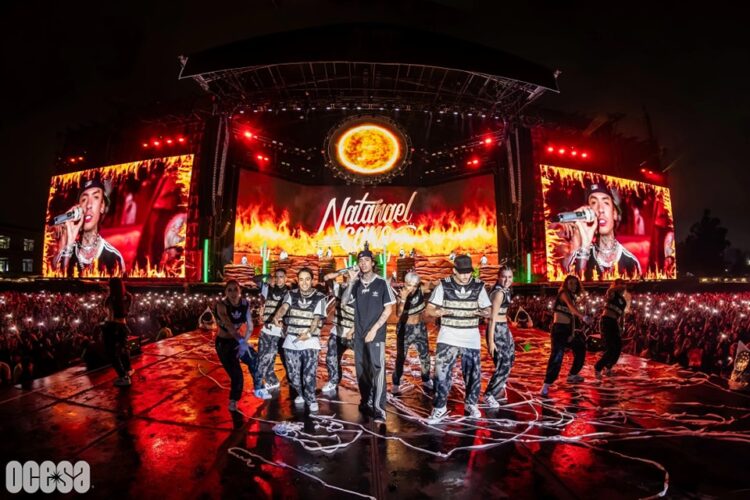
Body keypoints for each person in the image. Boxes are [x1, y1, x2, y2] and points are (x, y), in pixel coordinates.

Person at [425, 255, 491, 423]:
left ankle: (471, 404)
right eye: (461, 273)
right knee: (441, 374)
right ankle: (439, 408)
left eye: (468, 272)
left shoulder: (478, 286)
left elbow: (489, 310)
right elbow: (429, 310)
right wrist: (439, 312)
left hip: (471, 337)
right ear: (454, 271)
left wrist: (484, 313)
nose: (465, 276)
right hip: (448, 336)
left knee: (473, 374)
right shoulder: (444, 285)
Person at [342, 244, 396, 424]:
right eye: (360, 261)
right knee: (361, 370)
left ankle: (380, 408)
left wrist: (374, 330)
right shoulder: (356, 284)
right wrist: (350, 281)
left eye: (366, 260)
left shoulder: (382, 283)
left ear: (372, 263)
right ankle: (365, 401)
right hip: (359, 335)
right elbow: (343, 303)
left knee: (377, 370)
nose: (363, 264)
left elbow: (388, 310)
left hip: (376, 335)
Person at [271, 268, 327, 413]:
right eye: (301, 279)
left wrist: (308, 334)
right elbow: (284, 307)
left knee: (309, 374)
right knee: (293, 376)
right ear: (298, 280)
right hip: (291, 341)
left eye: (307, 279)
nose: (304, 283)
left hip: (310, 341)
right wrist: (277, 316)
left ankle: (311, 398)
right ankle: (302, 394)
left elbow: (316, 320)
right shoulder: (291, 294)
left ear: (312, 280)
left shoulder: (319, 297)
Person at [562, 182, 641, 280]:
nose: (600, 209)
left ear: (615, 213)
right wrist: (585, 244)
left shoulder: (630, 261)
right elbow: (573, 288)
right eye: (594, 203)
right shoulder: (578, 257)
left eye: (606, 203)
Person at [214, 280, 272, 413]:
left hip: (238, 340)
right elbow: (229, 326)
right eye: (229, 290)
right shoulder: (221, 305)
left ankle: (259, 388)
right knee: (237, 375)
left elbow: (250, 326)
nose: (233, 293)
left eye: (235, 289)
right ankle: (233, 401)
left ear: (240, 290)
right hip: (224, 344)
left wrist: (244, 343)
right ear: (225, 292)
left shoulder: (245, 303)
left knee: (255, 358)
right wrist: (241, 342)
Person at [54, 178, 125, 276]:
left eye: (95, 197)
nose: (89, 205)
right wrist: (69, 241)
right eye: (84, 199)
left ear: (102, 206)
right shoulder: (65, 254)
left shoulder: (114, 257)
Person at [540, 275, 592, 397]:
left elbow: (571, 317)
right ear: (565, 284)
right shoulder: (563, 293)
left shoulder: (573, 297)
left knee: (580, 348)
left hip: (569, 331)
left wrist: (572, 333)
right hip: (559, 330)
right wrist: (583, 316)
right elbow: (570, 306)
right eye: (570, 283)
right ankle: (546, 385)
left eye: (575, 283)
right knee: (557, 357)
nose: (573, 286)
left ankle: (573, 375)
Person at [392, 271, 432, 394]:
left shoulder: (421, 289)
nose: (412, 288)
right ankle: (396, 383)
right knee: (401, 357)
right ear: (405, 283)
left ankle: (426, 379)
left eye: (415, 285)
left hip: (419, 328)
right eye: (410, 285)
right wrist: (403, 299)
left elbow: (435, 284)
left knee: (425, 355)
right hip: (405, 329)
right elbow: (398, 314)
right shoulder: (401, 294)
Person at [483, 265, 515, 408]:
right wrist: (491, 342)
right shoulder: (499, 293)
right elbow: (492, 318)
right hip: (497, 330)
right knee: (504, 363)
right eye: (504, 276)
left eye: (509, 277)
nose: (507, 279)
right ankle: (489, 394)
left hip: (504, 328)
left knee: (509, 358)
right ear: (498, 277)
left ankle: (498, 384)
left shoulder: (505, 290)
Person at [321, 269, 355, 393]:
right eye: (348, 274)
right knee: (331, 358)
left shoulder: (361, 290)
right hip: (338, 331)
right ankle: (333, 380)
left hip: (354, 333)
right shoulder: (339, 288)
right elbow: (326, 277)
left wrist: (352, 330)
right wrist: (341, 272)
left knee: (364, 360)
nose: (349, 276)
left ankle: (369, 385)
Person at [257, 269, 289, 391]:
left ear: (286, 278)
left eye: (282, 276)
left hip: (278, 332)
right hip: (266, 330)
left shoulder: (289, 293)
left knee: (273, 358)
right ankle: (272, 380)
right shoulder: (267, 288)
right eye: (277, 276)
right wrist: (266, 276)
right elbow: (254, 279)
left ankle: (281, 381)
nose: (279, 279)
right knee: (262, 358)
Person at [594, 279, 631, 379]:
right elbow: (610, 292)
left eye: (624, 285)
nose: (623, 287)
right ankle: (598, 368)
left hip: (614, 323)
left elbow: (622, 315)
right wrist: (618, 286)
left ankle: (608, 367)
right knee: (610, 348)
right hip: (606, 321)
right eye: (621, 285)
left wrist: (622, 326)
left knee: (618, 347)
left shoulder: (623, 301)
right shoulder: (612, 293)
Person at [102, 277, 134, 387]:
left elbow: (109, 315)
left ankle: (122, 376)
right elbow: (127, 311)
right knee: (124, 349)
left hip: (112, 326)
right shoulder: (128, 297)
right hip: (123, 326)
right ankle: (128, 370)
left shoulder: (111, 299)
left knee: (112, 353)